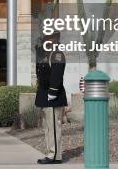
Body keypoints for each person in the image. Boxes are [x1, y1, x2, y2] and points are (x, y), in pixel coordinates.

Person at [35, 32, 67, 165]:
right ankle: (51, 153)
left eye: (47, 39)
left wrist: (53, 91)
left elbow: (57, 74)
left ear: (54, 39)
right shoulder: (46, 54)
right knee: (48, 127)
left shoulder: (57, 54)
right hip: (45, 95)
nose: (44, 41)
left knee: (53, 127)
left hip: (53, 95)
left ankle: (54, 155)